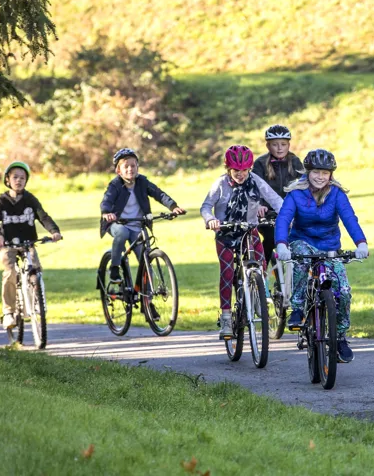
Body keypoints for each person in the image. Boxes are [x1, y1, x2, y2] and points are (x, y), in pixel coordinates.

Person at [275, 149, 369, 363]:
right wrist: (282, 245)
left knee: (343, 291)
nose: (320, 176)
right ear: (307, 172)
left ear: (331, 175)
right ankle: (297, 308)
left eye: (325, 173)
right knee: (299, 257)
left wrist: (361, 243)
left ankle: (341, 337)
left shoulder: (337, 194)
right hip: (303, 242)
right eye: (316, 172)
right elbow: (283, 219)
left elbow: (350, 219)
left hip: (329, 247)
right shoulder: (296, 193)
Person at [201, 145, 284, 339]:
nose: (241, 174)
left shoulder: (256, 181)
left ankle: (258, 297)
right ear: (228, 169)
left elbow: (275, 199)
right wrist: (210, 219)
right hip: (226, 234)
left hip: (249, 230)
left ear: (250, 169)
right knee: (228, 272)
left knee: (262, 263)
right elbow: (205, 207)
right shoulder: (220, 184)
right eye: (236, 170)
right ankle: (227, 318)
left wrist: (285, 214)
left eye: (245, 170)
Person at [0, 162, 63, 330]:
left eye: (22, 178)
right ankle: (8, 312)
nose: (19, 180)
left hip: (28, 243)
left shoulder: (30, 199)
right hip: (8, 244)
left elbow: (43, 217)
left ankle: (38, 302)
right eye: (15, 177)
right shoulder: (1, 202)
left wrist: (54, 231)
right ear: (7, 179)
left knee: (36, 269)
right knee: (10, 272)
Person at [100, 148, 186, 285]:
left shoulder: (142, 182)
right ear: (118, 171)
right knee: (121, 233)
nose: (130, 169)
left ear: (138, 167)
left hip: (137, 226)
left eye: (133, 165)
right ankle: (115, 268)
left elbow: (159, 194)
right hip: (117, 223)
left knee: (145, 260)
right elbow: (107, 200)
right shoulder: (115, 185)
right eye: (126, 166)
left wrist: (173, 207)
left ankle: (147, 300)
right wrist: (106, 213)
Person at [252, 124, 304, 260]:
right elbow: (254, 187)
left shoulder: (295, 162)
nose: (280, 148)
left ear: (289, 145)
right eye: (275, 144)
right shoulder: (260, 163)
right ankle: (260, 271)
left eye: (283, 144)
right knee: (271, 238)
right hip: (267, 214)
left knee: (298, 240)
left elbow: (304, 186)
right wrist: (258, 204)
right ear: (268, 146)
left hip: (291, 212)